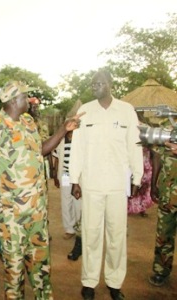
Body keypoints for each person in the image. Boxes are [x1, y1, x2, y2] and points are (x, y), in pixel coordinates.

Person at [0, 81, 82, 299]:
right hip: (12, 218)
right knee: (14, 274)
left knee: (41, 269)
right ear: (15, 100)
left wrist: (64, 129)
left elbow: (41, 150)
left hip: (37, 213)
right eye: (26, 97)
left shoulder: (28, 121)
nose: (29, 100)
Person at [69, 70, 143, 300]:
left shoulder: (127, 111)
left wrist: (137, 177)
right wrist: (74, 179)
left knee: (116, 235)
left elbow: (135, 145)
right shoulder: (85, 112)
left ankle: (114, 282)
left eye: (100, 83)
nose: (95, 86)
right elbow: (77, 148)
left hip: (117, 185)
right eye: (93, 84)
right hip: (91, 183)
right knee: (90, 234)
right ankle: (89, 282)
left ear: (111, 84)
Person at [148, 132, 177, 286]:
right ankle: (161, 270)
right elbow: (157, 156)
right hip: (168, 192)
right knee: (164, 233)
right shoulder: (168, 127)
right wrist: (154, 184)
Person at [53, 131, 81, 240]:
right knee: (66, 201)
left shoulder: (80, 138)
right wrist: (55, 175)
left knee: (78, 202)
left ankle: (79, 227)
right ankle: (69, 229)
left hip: (78, 176)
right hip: (65, 175)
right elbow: (57, 158)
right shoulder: (62, 140)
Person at [127, 146, 154, 217]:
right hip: (134, 162)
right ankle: (127, 208)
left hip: (146, 164)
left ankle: (142, 209)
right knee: (130, 187)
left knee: (144, 189)